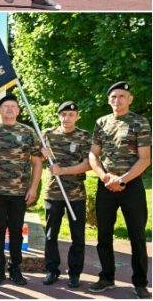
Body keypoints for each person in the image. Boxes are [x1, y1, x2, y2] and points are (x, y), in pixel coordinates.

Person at [87, 82, 151, 299]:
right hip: (106, 185)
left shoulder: (139, 123)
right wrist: (104, 176)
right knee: (104, 235)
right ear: (109, 100)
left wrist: (122, 180)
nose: (117, 100)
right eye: (113, 96)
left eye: (122, 96)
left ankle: (140, 283)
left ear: (130, 99)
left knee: (137, 236)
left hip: (131, 186)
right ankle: (106, 278)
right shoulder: (101, 123)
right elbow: (93, 155)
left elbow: (145, 159)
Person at [0, 93, 42, 286]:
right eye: (5, 106)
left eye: (13, 106)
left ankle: (15, 269)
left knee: (16, 231)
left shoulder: (28, 132)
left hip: (20, 192)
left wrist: (33, 188)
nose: (9, 109)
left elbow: (37, 162)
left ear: (18, 110)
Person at [41, 100, 93, 288]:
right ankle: (52, 270)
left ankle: (75, 273)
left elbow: (88, 164)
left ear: (77, 116)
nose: (67, 118)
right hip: (53, 193)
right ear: (58, 116)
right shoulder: (47, 135)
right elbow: (35, 157)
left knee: (77, 235)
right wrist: (41, 152)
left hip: (76, 194)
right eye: (63, 114)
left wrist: (63, 171)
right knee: (50, 235)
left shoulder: (84, 137)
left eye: (71, 115)